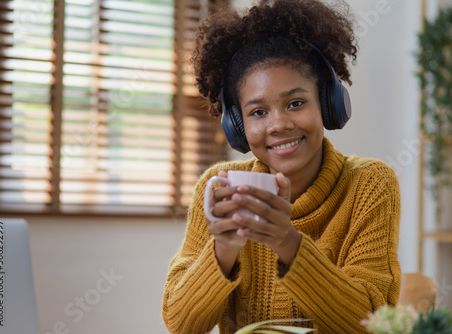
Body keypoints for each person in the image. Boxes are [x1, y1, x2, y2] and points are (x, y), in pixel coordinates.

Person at [162, 0, 401, 333]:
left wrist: (288, 242)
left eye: (296, 103)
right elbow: (181, 324)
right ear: (238, 126)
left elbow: (374, 324)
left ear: (328, 104)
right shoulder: (218, 189)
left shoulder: (369, 185)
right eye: (258, 112)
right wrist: (224, 249)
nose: (278, 125)